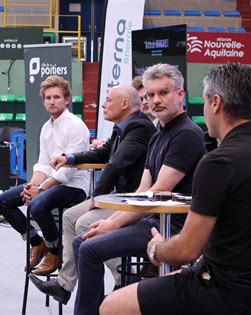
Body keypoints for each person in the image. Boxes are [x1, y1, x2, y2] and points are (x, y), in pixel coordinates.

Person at [100, 63, 251, 314]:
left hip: (223, 291)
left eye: (204, 103)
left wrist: (157, 248)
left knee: (111, 305)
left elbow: (186, 249)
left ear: (215, 102)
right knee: (167, 281)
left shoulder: (218, 162)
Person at [72, 63, 205, 315]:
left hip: (173, 226)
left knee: (89, 248)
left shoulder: (187, 134)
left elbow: (156, 192)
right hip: (152, 219)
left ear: (180, 94)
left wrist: (112, 224)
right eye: (150, 95)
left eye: (163, 93)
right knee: (82, 241)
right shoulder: (157, 135)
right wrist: (111, 220)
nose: (155, 100)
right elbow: (142, 190)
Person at [29, 85, 156, 304]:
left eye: (108, 100)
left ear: (124, 104)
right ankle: (64, 285)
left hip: (134, 202)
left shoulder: (139, 127)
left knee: (84, 224)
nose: (103, 105)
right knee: (70, 217)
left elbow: (115, 165)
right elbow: (101, 154)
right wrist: (69, 158)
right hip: (120, 198)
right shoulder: (122, 128)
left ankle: (123, 278)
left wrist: (96, 199)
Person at [0, 75, 90, 276]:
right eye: (48, 98)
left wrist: (41, 189)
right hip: (49, 184)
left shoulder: (76, 125)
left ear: (66, 100)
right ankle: (37, 243)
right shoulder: (46, 128)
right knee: (3, 201)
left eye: (56, 97)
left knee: (38, 206)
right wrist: (32, 185)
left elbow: (68, 170)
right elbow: (43, 164)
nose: (52, 101)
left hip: (74, 187)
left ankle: (55, 252)